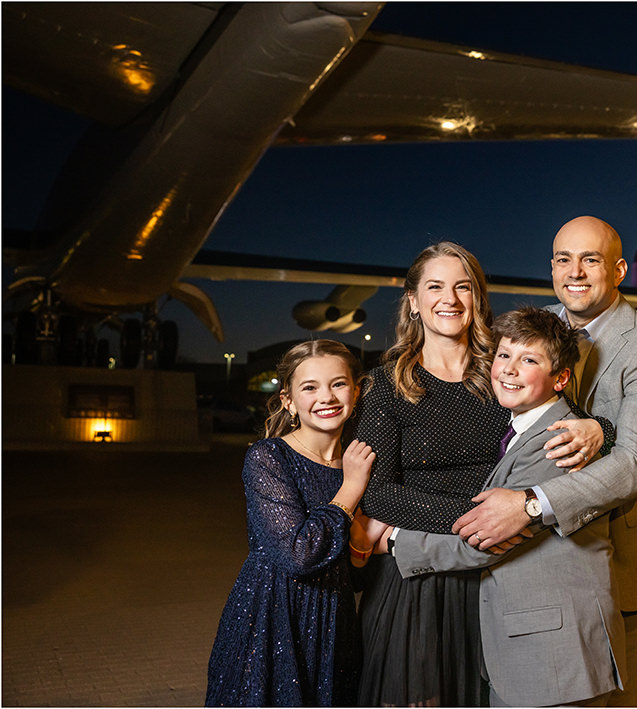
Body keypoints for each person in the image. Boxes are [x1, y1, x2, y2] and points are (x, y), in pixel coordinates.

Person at [453, 216, 637, 706]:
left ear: (620, 269)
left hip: (629, 557)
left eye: (591, 259)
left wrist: (530, 504)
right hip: (544, 561)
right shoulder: (529, 327)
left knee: (623, 699)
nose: (576, 272)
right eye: (564, 259)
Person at [355, 242, 606, 707]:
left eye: (462, 287)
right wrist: (486, 518)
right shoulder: (386, 386)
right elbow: (377, 495)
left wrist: (600, 428)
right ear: (412, 300)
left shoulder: (503, 373)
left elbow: (553, 417)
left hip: (498, 580)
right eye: (435, 286)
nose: (449, 299)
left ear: (478, 299)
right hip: (419, 582)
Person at [205, 340, 379, 707]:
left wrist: (361, 545)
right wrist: (350, 491)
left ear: (356, 390)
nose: (326, 397)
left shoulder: (359, 459)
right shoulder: (269, 457)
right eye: (310, 387)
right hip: (271, 620)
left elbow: (356, 577)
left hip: (335, 626)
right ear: (288, 400)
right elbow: (298, 555)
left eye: (338, 384)